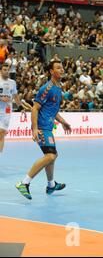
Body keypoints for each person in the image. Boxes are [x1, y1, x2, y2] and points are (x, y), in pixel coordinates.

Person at [15, 60, 72, 200]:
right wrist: (35, 129)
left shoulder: (58, 89)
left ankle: (51, 185)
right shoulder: (47, 88)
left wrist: (63, 122)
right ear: (51, 71)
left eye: (62, 67)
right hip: (41, 128)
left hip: (48, 127)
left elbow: (53, 111)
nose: (62, 69)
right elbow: (35, 108)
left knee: (52, 156)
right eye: (58, 67)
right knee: (50, 156)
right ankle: (24, 183)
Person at [0, 63, 32, 153]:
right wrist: (1, 98)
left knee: (2, 133)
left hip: (6, 111)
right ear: (1, 71)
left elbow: (15, 96)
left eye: (8, 70)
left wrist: (21, 107)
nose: (6, 72)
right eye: (4, 70)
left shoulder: (12, 83)